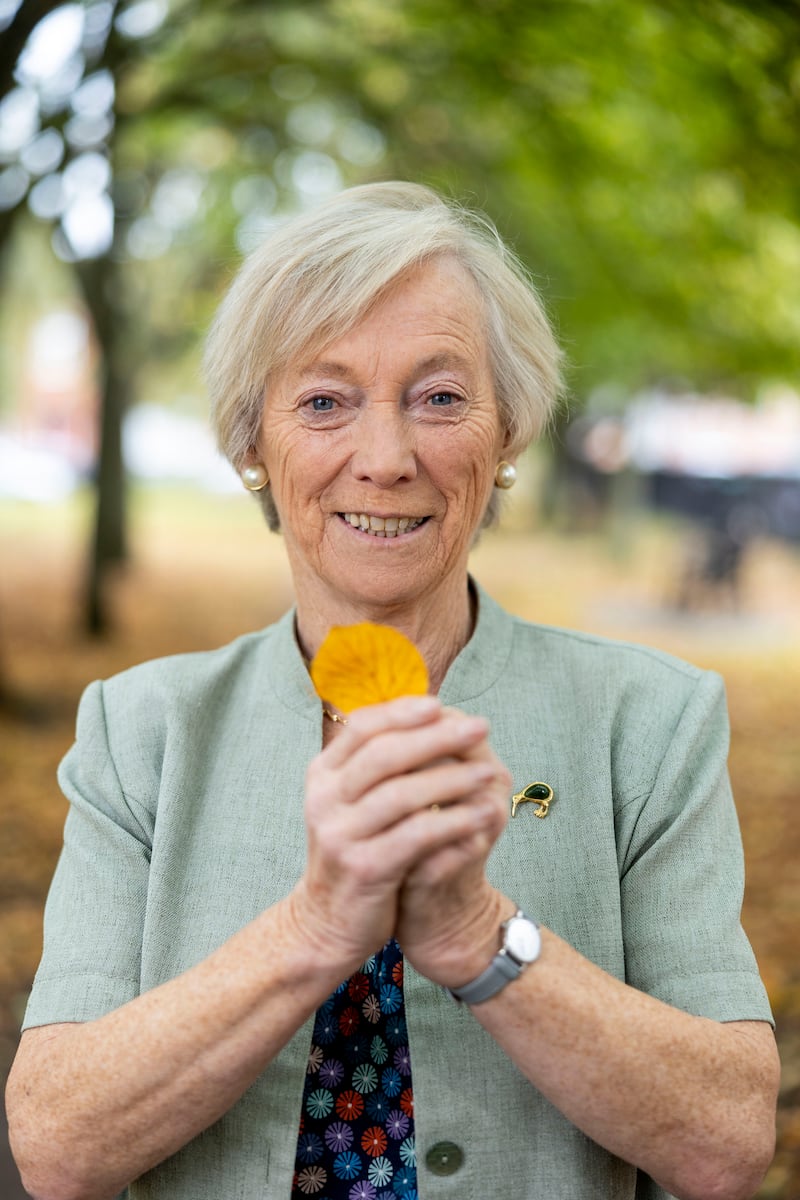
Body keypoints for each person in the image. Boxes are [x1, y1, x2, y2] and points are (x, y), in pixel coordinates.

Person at [6, 182, 778, 1200]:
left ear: (504, 436)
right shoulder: (139, 730)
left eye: (439, 398)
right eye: (323, 402)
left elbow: (725, 1142)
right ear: (251, 444)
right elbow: (57, 1146)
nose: (385, 458)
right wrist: (314, 929)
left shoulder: (647, 724)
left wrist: (475, 936)